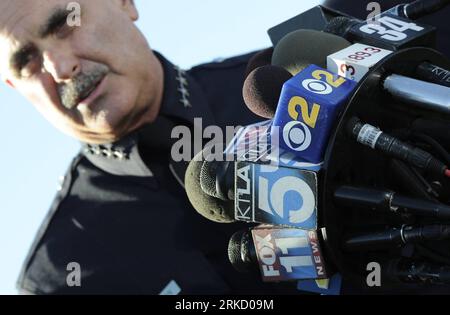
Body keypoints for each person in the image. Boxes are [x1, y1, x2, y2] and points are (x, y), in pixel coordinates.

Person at [0, 0, 299, 294]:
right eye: (26, 61)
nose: (62, 68)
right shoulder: (59, 279)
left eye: (66, 23)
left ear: (125, 3)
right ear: (13, 86)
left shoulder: (294, 87)